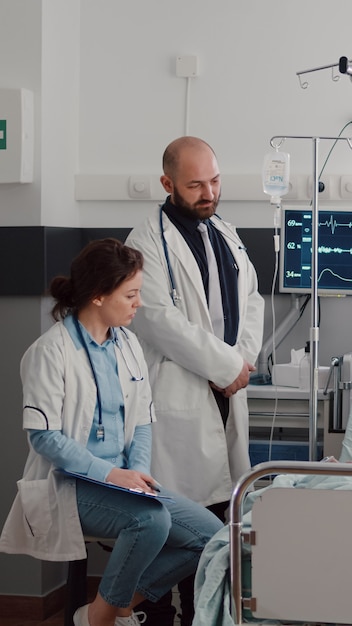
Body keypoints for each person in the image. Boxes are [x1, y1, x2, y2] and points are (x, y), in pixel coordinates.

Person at [0, 238, 223, 626]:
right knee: (151, 521)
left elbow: (141, 420)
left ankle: (107, 609)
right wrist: (110, 475)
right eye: (131, 294)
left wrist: (136, 475)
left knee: (212, 536)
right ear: (99, 296)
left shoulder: (129, 344)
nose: (139, 303)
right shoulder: (49, 351)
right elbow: (45, 437)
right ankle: (107, 617)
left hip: (122, 480)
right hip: (70, 483)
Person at [125, 136, 265, 625]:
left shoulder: (224, 230)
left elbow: (252, 300)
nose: (209, 192)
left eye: (215, 180)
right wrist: (226, 368)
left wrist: (240, 364)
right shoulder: (146, 240)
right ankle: (159, 614)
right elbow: (159, 321)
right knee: (179, 526)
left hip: (227, 394)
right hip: (178, 398)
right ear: (167, 184)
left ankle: (204, 615)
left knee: (220, 519)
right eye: (195, 184)